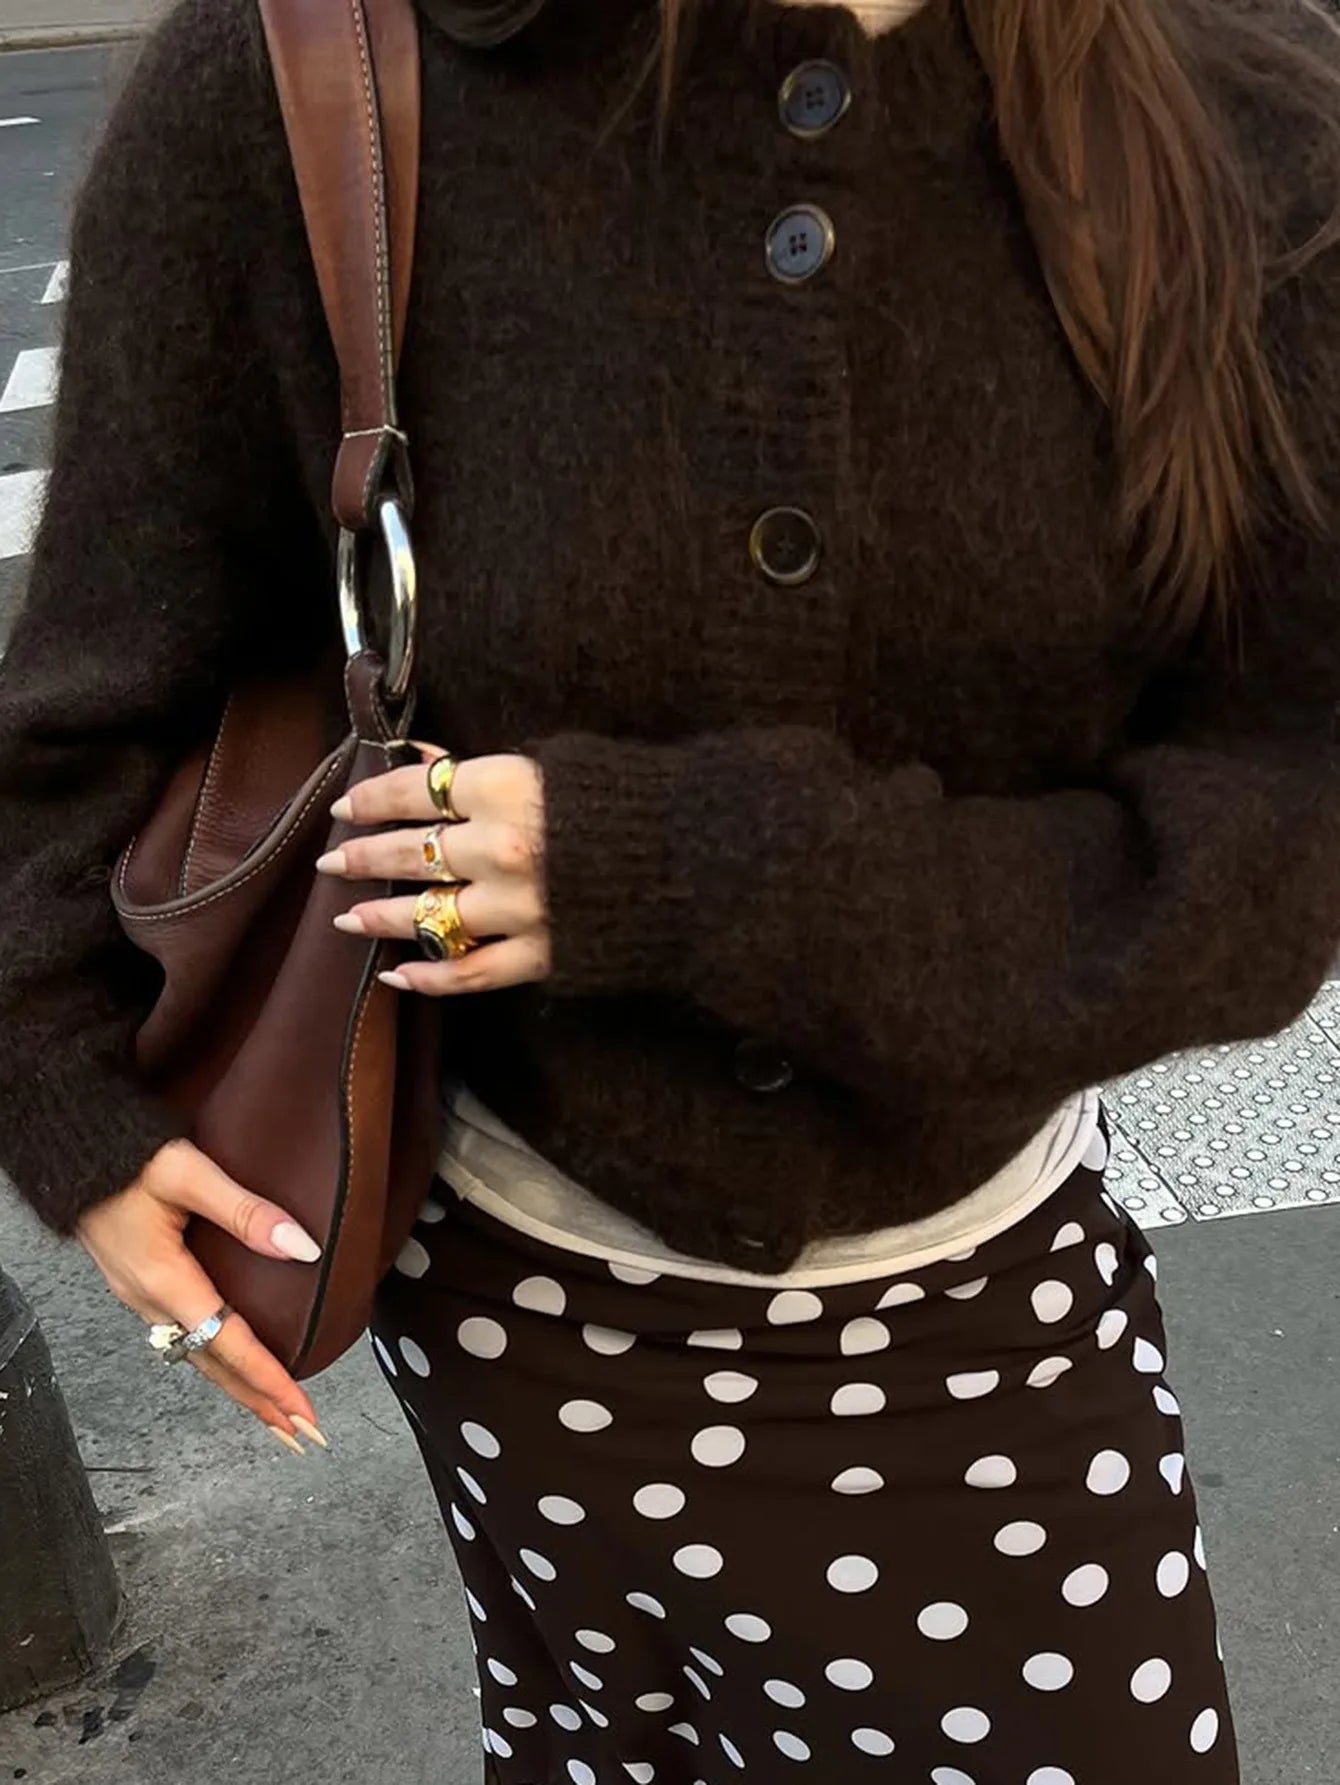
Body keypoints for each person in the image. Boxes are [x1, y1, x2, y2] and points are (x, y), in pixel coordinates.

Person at [1, 0, 1338, 1777]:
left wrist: (709, 872)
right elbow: (93, 701)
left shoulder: (1244, 109)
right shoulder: (314, 77)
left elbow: (1279, 831)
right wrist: (65, 1094)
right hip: (493, 1290)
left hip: (965, 1304)